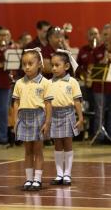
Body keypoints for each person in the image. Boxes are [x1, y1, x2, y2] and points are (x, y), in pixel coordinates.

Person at [12, 48, 53, 191]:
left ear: (40, 64)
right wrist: (15, 119)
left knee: (38, 150)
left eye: (30, 63)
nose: (27, 67)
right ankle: (29, 179)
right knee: (27, 150)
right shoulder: (19, 83)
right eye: (24, 64)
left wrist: (47, 122)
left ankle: (37, 179)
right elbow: (16, 102)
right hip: (23, 117)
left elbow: (48, 104)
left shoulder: (46, 83)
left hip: (39, 116)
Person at [49, 50, 83, 186]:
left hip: (68, 114)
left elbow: (77, 101)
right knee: (57, 144)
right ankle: (59, 174)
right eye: (52, 65)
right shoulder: (49, 82)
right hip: (54, 115)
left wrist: (80, 117)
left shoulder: (73, 82)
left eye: (57, 65)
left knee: (68, 143)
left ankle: (67, 174)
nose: (54, 68)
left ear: (67, 66)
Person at [91, 24, 111, 143]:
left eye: (109, 34)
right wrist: (102, 62)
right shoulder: (96, 51)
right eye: (104, 34)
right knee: (99, 112)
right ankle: (99, 136)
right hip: (100, 87)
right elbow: (91, 69)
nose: (106, 37)